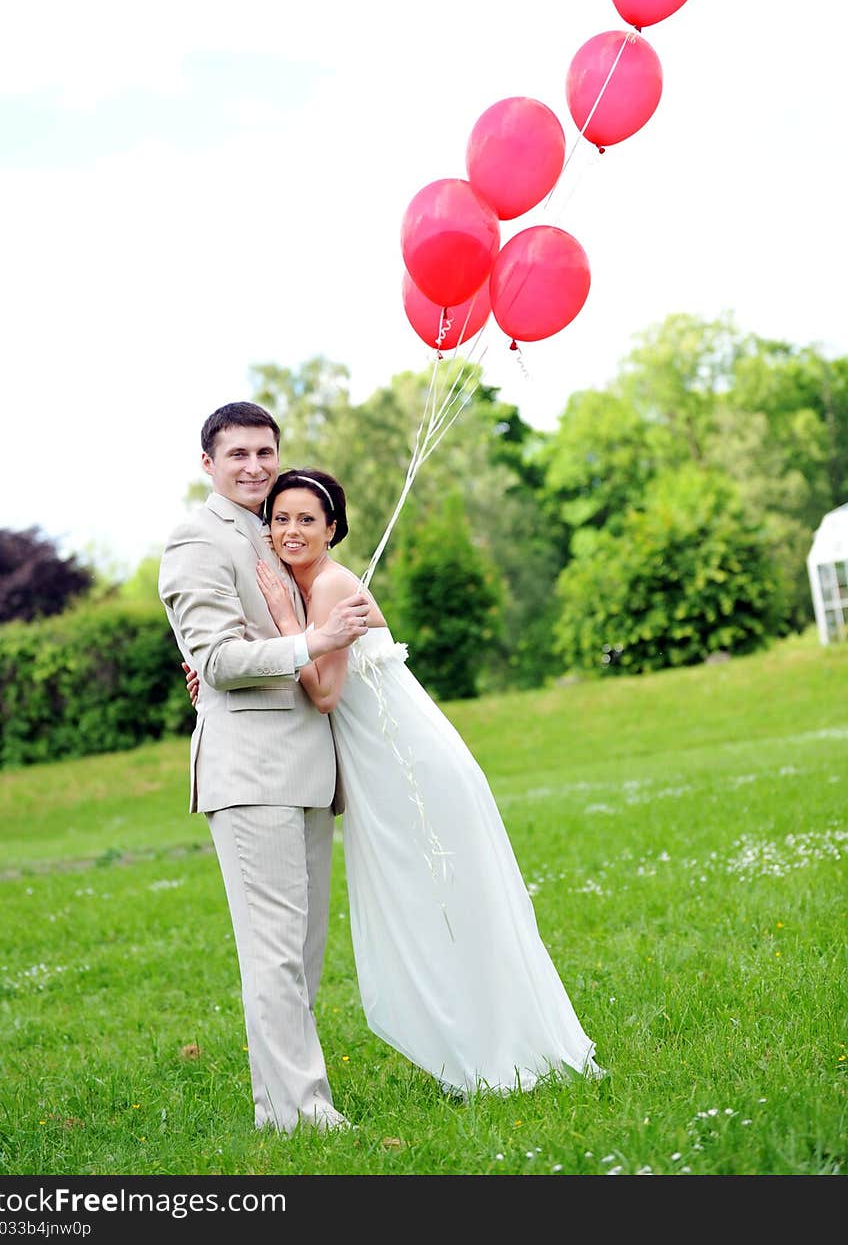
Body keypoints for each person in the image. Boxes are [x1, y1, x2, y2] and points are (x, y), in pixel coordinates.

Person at [185, 465, 603, 1098]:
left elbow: (323, 693)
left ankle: (504, 1049)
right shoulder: (299, 591)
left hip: (413, 774)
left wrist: (287, 630)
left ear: (333, 529)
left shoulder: (327, 587)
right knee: (421, 914)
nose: (290, 530)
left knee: (452, 909)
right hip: (379, 777)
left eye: (307, 520)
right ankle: (476, 1044)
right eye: (280, 519)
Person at [158, 403, 372, 1134]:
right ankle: (303, 1113)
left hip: (309, 766)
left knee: (303, 955)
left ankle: (279, 1107)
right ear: (209, 463)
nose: (254, 465)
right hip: (253, 775)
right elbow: (215, 657)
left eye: (266, 452)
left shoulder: (278, 524)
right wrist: (309, 645)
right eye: (239, 453)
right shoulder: (196, 538)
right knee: (275, 955)